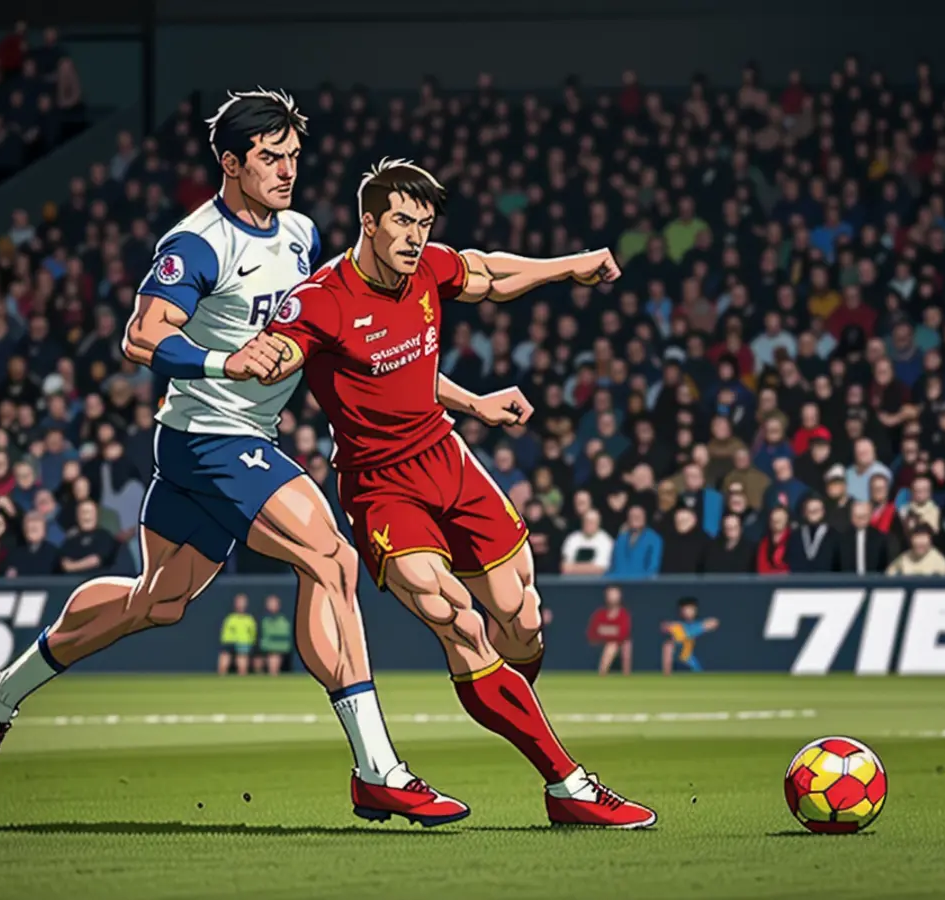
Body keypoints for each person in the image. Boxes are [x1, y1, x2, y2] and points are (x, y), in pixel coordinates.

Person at [0, 91, 466, 828]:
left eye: (293, 155)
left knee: (156, 602)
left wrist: (458, 398)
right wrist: (224, 362)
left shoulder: (299, 232)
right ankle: (377, 769)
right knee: (331, 558)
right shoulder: (197, 243)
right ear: (230, 163)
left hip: (230, 442)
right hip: (210, 441)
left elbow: (333, 337)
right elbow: (141, 338)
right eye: (269, 157)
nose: (286, 169)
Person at [267, 159, 655, 827]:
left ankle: (504, 701)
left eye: (423, 224)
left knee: (522, 617)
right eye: (401, 223)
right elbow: (277, 349)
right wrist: (227, 360)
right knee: (457, 617)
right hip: (380, 487)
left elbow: (489, 273)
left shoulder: (428, 270)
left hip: (448, 458)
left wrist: (571, 267)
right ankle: (568, 784)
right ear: (369, 221)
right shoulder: (323, 299)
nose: (415, 237)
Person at [661, 598, 719, 674]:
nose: (687, 612)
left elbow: (714, 622)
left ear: (695, 610)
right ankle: (667, 676)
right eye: (685, 609)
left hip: (695, 668)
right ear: (681, 611)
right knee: (668, 646)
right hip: (680, 664)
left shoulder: (698, 624)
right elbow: (664, 627)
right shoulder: (676, 625)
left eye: (690, 609)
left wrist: (685, 633)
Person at [586, 586, 632, 676]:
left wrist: (605, 631)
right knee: (611, 645)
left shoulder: (623, 614)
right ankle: (602, 674)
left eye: (615, 595)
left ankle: (626, 676)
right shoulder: (600, 614)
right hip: (600, 644)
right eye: (610, 595)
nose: (612, 597)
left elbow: (623, 634)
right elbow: (592, 632)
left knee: (619, 645)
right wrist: (613, 631)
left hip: (618, 645)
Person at [218, 593, 258, 676]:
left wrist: (250, 642)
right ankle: (221, 681)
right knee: (224, 662)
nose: (241, 605)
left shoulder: (249, 619)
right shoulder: (229, 618)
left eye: (243, 602)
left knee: (242, 664)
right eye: (239, 602)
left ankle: (242, 682)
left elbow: (253, 633)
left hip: (243, 643)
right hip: (228, 642)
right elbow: (224, 632)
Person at [259, 594, 294, 674]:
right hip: (265, 649)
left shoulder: (284, 621)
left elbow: (284, 635)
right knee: (257, 662)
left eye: (273, 604)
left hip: (279, 648)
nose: (271, 606)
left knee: (274, 657)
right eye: (269, 604)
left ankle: (273, 676)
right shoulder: (264, 620)